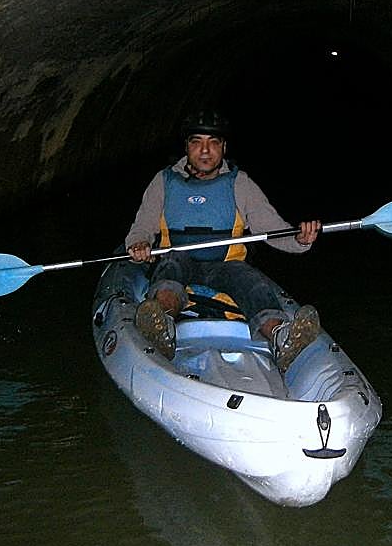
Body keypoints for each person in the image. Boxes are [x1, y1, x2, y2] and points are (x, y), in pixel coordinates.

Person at [118, 110, 323, 373]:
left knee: (250, 280)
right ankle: (163, 324)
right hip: (179, 258)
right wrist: (138, 244)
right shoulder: (164, 182)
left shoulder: (240, 184)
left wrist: (300, 239)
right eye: (197, 142)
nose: (205, 150)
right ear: (187, 147)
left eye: (213, 143)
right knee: (171, 266)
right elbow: (141, 228)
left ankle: (281, 337)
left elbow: (273, 229)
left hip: (226, 265)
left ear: (224, 148)